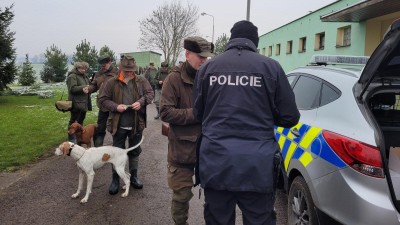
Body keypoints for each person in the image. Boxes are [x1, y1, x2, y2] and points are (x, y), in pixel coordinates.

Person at [193, 20, 300, 225]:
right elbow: (290, 117)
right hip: (256, 166)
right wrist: (266, 115)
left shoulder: (208, 69)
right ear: (255, 42)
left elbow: (198, 113)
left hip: (216, 163)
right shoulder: (271, 68)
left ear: (231, 39)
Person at [160, 36, 213, 225]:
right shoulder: (173, 79)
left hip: (208, 149)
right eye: (201, 57)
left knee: (215, 197)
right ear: (188, 54)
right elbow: (165, 112)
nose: (205, 61)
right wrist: (196, 114)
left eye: (207, 58)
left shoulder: (209, 77)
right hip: (182, 150)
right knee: (181, 197)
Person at [98, 54, 154, 194]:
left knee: (134, 151)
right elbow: (102, 100)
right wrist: (116, 107)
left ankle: (134, 177)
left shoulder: (141, 80)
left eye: (132, 70)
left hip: (136, 123)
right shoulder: (111, 82)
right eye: (127, 70)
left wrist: (141, 102)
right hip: (118, 124)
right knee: (116, 153)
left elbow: (150, 94)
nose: (130, 73)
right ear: (120, 69)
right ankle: (115, 180)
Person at [88, 55, 118, 147]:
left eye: (104, 65)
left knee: (115, 130)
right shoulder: (98, 73)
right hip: (103, 106)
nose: (102, 66)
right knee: (100, 130)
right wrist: (89, 89)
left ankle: (116, 151)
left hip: (114, 106)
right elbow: (94, 85)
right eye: (101, 65)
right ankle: (97, 151)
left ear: (110, 62)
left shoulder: (118, 72)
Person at [66, 61, 91, 143]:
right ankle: (71, 138)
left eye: (85, 68)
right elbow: (72, 89)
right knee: (73, 121)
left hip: (84, 102)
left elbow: (90, 86)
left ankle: (79, 136)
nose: (83, 70)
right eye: (81, 68)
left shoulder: (85, 76)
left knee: (81, 120)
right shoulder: (72, 76)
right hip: (75, 103)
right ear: (77, 68)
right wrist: (84, 87)